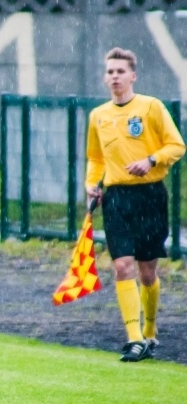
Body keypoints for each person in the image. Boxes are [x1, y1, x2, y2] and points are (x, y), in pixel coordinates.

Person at [85, 47, 185, 362]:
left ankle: (151, 330)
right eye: (110, 71)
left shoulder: (151, 107)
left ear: (133, 76)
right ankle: (134, 338)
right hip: (116, 199)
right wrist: (92, 183)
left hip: (150, 195)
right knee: (121, 266)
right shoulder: (98, 116)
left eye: (120, 71)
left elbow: (176, 145)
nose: (114, 76)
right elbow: (96, 157)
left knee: (147, 270)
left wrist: (151, 159)